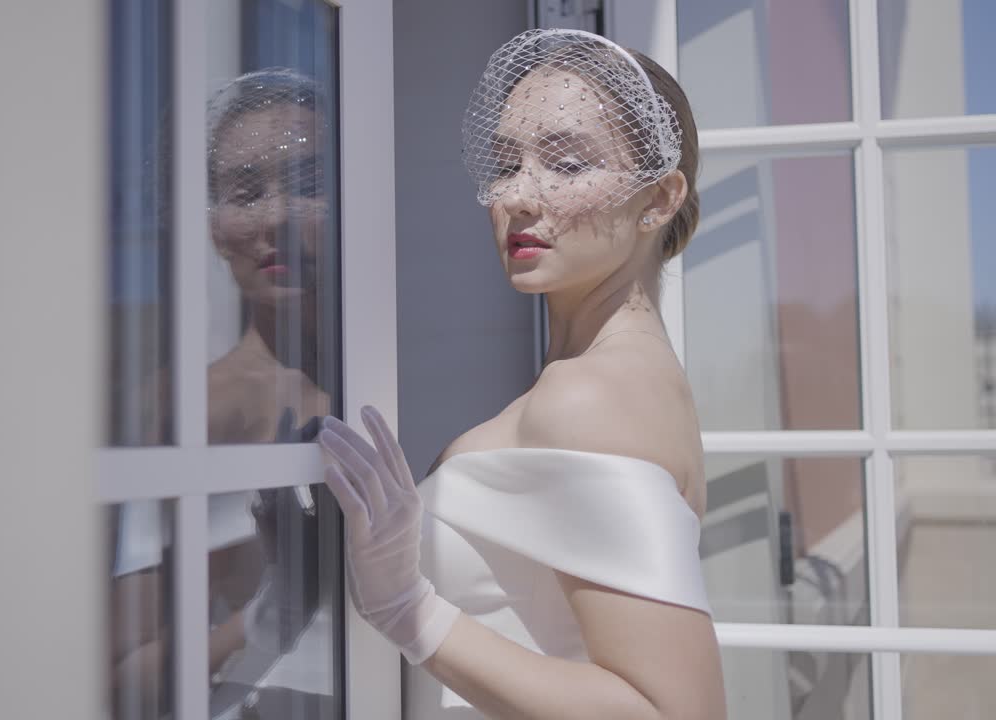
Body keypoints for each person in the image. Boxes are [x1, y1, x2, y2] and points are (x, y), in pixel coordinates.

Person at [318, 29, 727, 720]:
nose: (519, 196)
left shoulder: (589, 395)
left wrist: (407, 608)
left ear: (658, 199)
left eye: (566, 164)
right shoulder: (623, 379)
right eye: (506, 164)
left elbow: (672, 712)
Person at [109, 68, 338, 719]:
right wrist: (270, 613)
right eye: (244, 193)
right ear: (211, 226)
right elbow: (122, 675)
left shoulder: (391, 376)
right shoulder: (192, 410)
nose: (278, 219)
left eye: (310, 184)